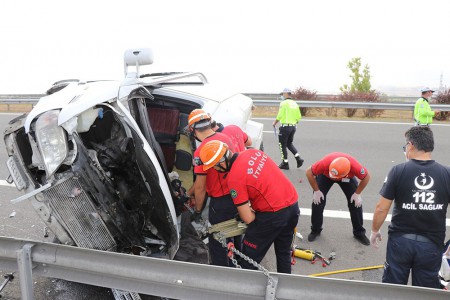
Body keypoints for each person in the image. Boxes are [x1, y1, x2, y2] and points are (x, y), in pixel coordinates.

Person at [199, 140, 300, 274]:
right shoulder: (252, 152)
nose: (215, 170)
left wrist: (256, 226)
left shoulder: (234, 178)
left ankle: (245, 291)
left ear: (221, 163)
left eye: (214, 167)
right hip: (293, 205)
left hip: (273, 215)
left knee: (247, 263)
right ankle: (285, 289)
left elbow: (248, 218)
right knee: (283, 253)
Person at [371, 126, 450, 288]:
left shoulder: (398, 170)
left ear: (411, 145)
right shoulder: (446, 173)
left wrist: (374, 230)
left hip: (400, 242)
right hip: (432, 244)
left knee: (393, 288)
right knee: (425, 291)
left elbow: (381, 208)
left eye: (406, 146)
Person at [187, 109, 239, 267]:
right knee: (235, 237)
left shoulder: (201, 151)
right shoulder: (225, 138)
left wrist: (197, 211)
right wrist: (189, 193)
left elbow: (201, 188)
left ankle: (222, 277)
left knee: (218, 245)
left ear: (192, 130)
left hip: (220, 204)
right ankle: (237, 269)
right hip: (237, 198)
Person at [305, 152, 371, 245]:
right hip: (326, 175)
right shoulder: (324, 163)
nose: (335, 179)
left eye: (336, 178)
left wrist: (357, 193)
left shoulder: (355, 167)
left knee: (355, 203)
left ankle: (359, 232)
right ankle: (315, 230)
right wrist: (316, 191)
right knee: (317, 202)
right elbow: (308, 172)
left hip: (346, 179)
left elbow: (366, 177)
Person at [272, 88, 304, 170]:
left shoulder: (284, 103)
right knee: (289, 143)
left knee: (282, 145)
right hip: (293, 127)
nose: (282, 95)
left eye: (283, 94)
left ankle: (285, 163)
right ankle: (298, 158)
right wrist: (293, 124)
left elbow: (280, 115)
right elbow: (299, 117)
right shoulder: (295, 104)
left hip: (285, 127)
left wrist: (275, 122)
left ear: (286, 94)